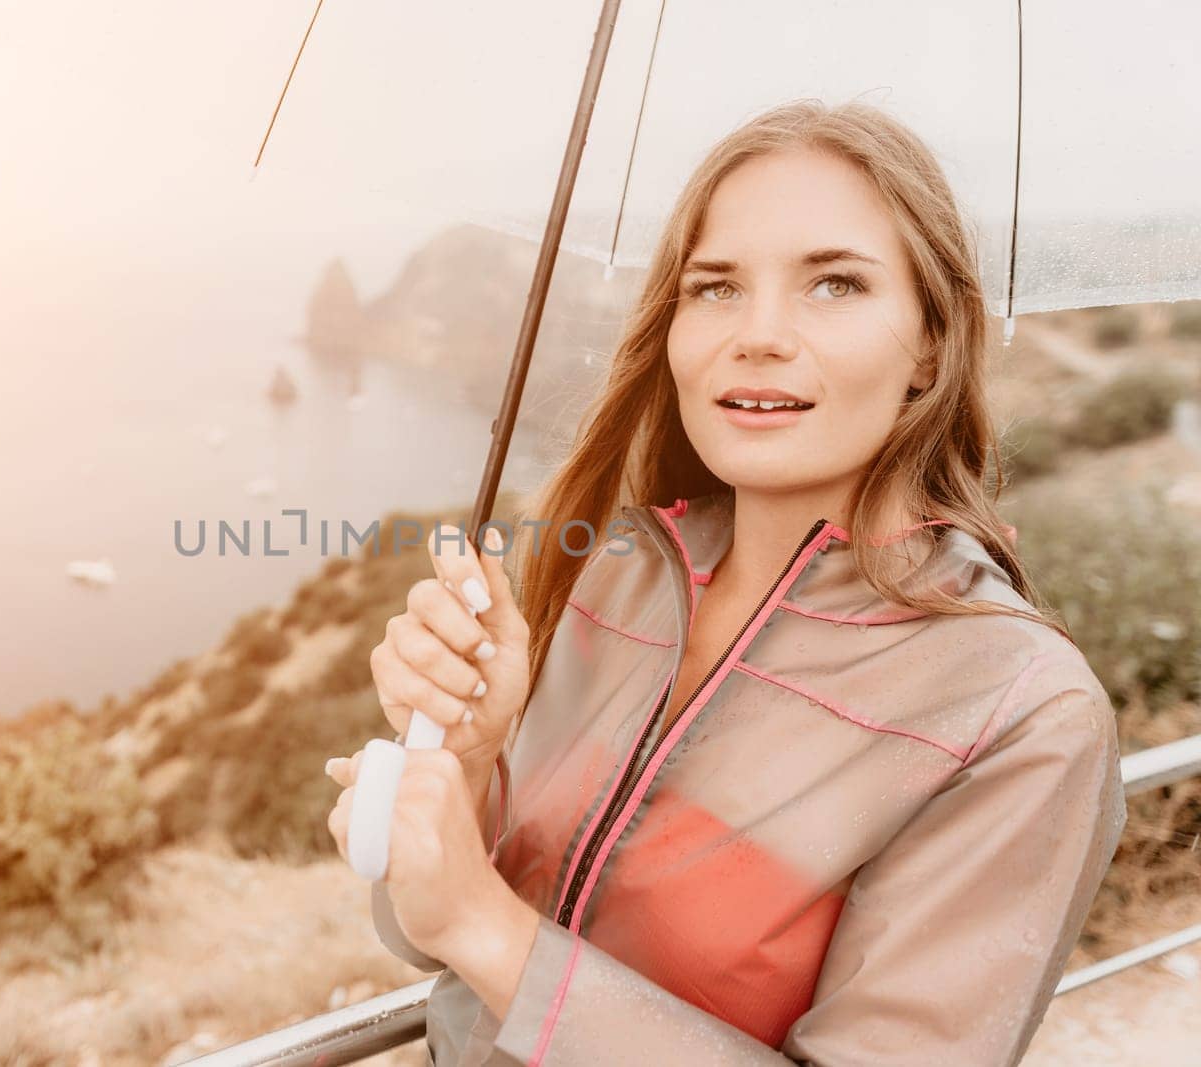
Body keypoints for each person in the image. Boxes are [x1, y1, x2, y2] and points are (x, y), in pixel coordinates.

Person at [323, 99, 1127, 1066]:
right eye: (715, 287)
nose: (758, 334)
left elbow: (474, 932)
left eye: (834, 284)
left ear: (931, 342)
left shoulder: (1015, 711)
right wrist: (466, 761)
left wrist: (487, 926)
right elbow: (423, 933)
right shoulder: (614, 575)